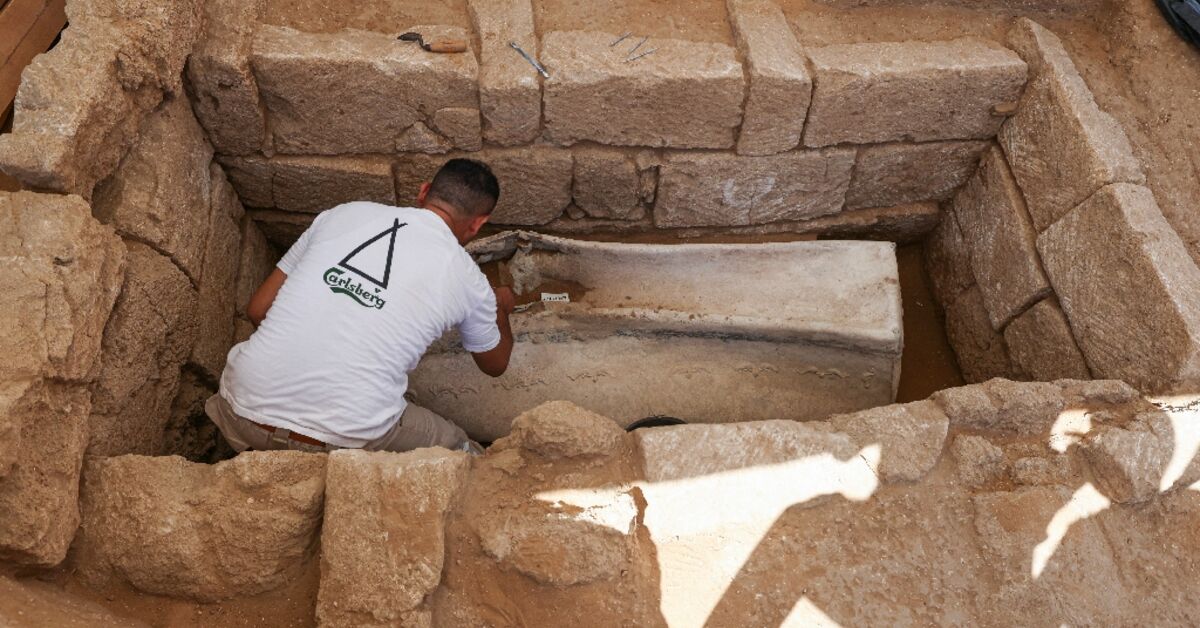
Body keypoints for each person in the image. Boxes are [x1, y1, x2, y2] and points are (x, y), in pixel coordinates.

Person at [204, 158, 515, 454]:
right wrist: (499, 306)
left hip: (239, 412)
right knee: (455, 444)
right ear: (478, 224)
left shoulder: (341, 214)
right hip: (343, 437)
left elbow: (258, 309)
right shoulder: (468, 278)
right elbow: (495, 364)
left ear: (423, 192)